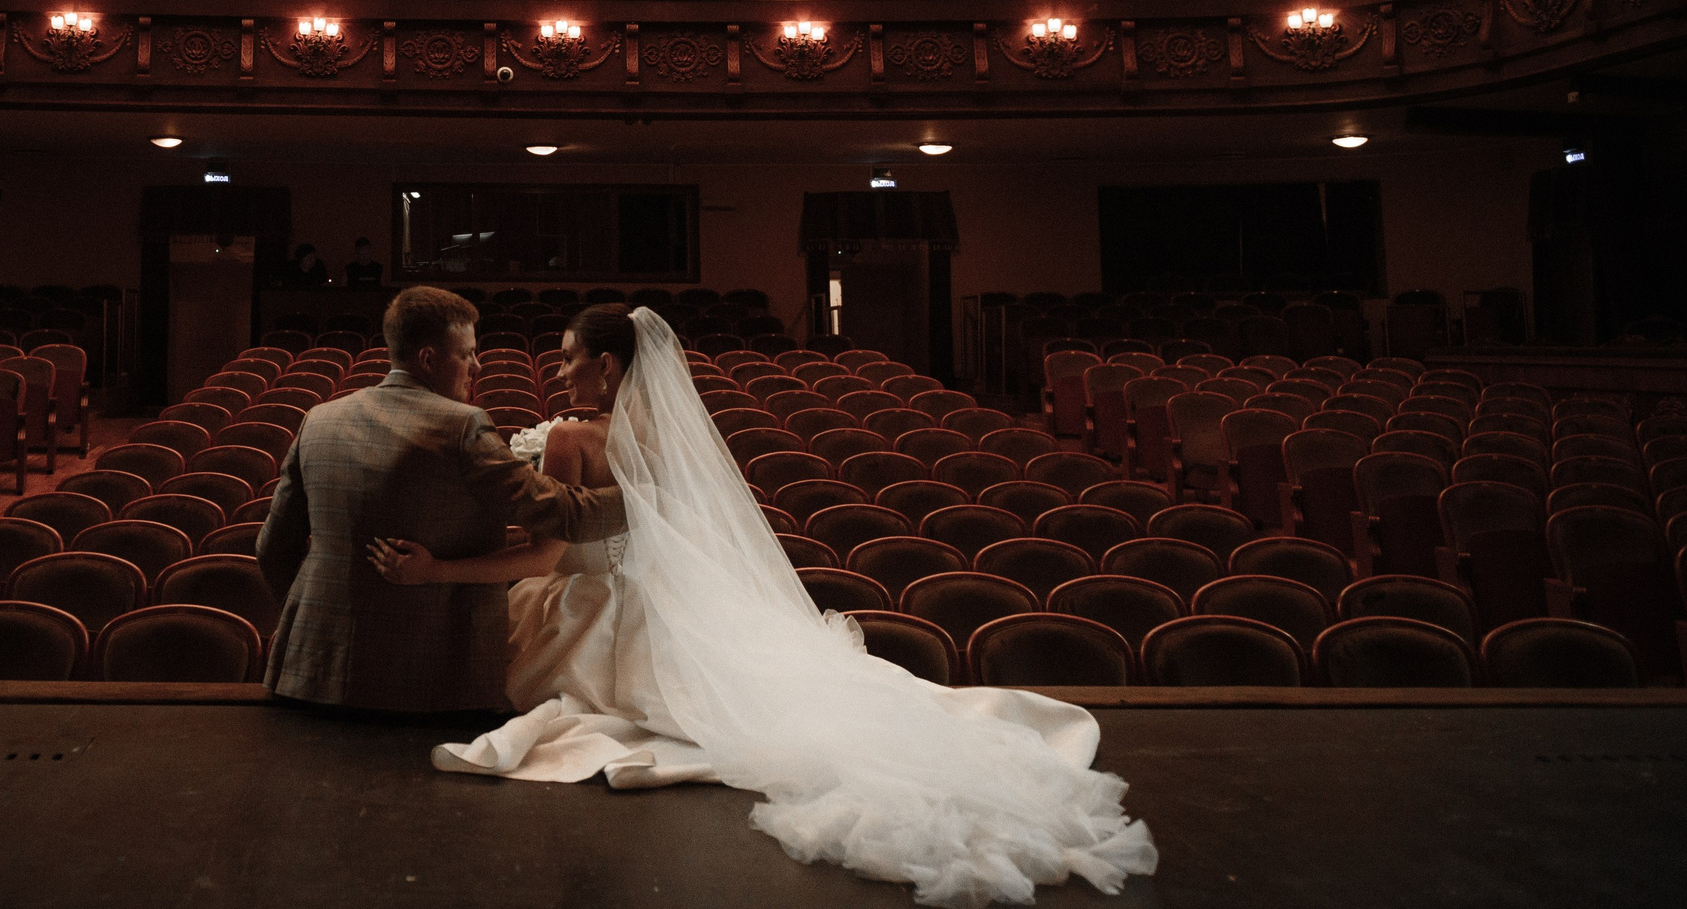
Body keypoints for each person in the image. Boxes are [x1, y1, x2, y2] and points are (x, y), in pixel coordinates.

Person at [369, 304, 1156, 906]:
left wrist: (440, 568)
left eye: (571, 359)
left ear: (606, 365)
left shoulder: (576, 438)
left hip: (588, 597)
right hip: (661, 598)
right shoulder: (666, 433)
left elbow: (547, 555)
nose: (560, 369)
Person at [256, 285, 626, 713]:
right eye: (466, 353)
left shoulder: (318, 420)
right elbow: (562, 513)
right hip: (428, 675)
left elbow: (271, 549)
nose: (477, 365)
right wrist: (651, 494)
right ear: (429, 359)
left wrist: (313, 616)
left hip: (310, 668)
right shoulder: (461, 426)